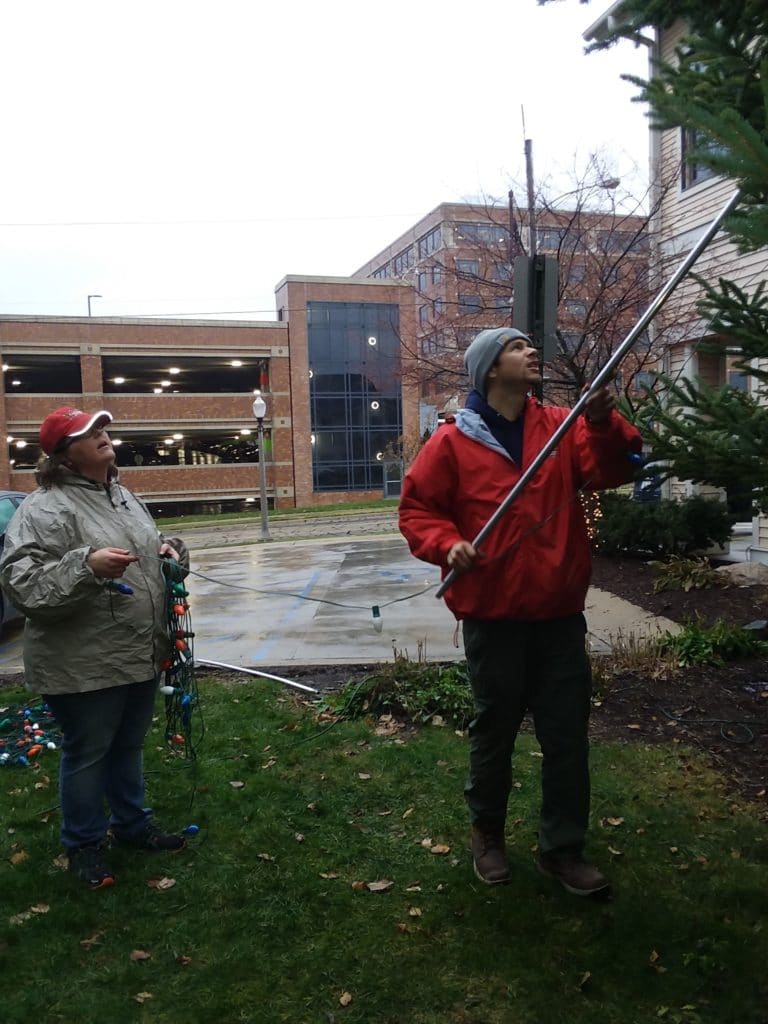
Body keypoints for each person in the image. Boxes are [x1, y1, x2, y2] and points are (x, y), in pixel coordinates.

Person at [399, 328, 642, 897]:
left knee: (566, 738)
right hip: (494, 618)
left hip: (557, 618)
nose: (531, 352)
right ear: (489, 370)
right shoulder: (452, 443)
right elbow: (417, 510)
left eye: (530, 345)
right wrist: (447, 544)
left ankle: (563, 849)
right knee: (495, 734)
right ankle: (487, 835)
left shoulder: (561, 424)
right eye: (516, 348)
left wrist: (605, 423)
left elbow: (617, 468)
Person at [0, 406, 191, 890]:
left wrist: (169, 553)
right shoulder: (42, 510)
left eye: (102, 427)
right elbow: (23, 587)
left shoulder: (123, 496)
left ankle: (132, 825)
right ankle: (82, 846)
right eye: (88, 432)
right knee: (88, 753)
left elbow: (147, 553)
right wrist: (86, 566)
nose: (103, 435)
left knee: (126, 746)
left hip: (137, 651)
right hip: (81, 663)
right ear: (64, 455)